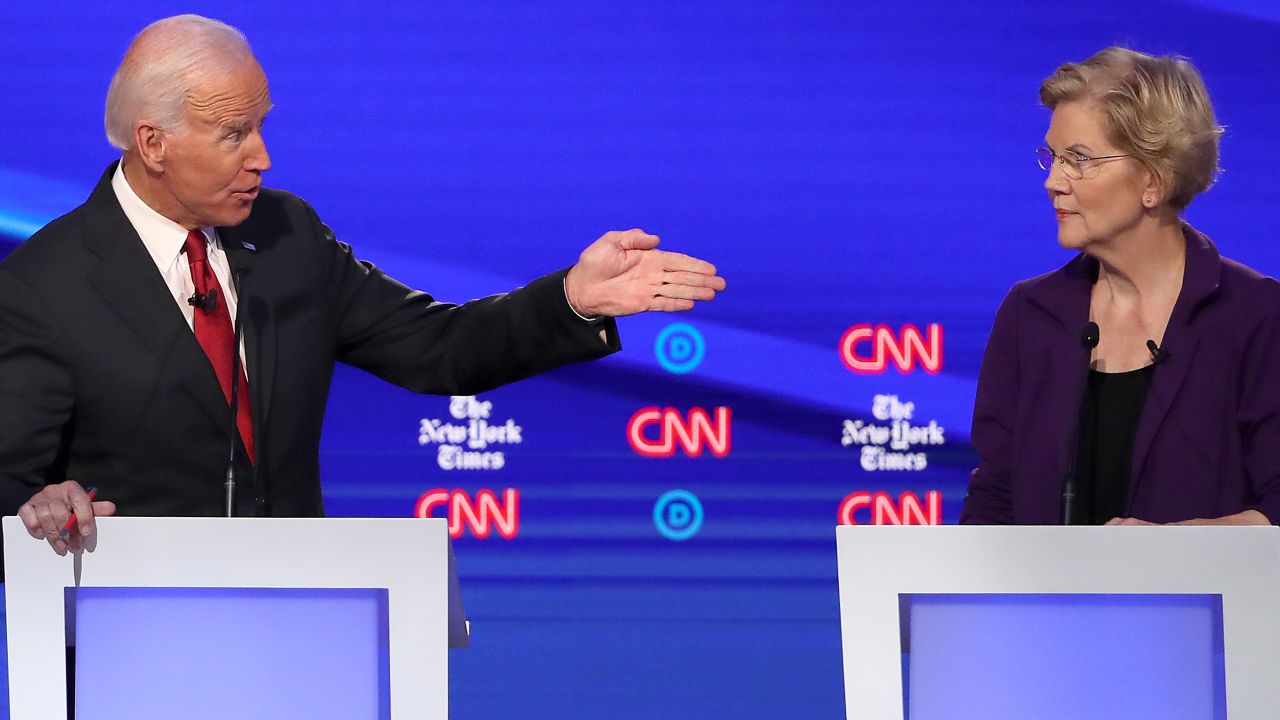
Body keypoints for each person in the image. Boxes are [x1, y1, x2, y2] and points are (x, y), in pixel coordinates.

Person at [0, 14, 725, 562]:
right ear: (153, 143)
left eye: (262, 127)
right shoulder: (46, 284)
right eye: (234, 135)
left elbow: (441, 348)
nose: (263, 158)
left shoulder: (287, 237)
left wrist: (570, 298)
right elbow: (8, 482)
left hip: (301, 629)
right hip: (126, 644)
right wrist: (40, 504)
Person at [960, 47, 1280, 526]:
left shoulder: (1254, 316)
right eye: (1053, 156)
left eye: (1079, 160)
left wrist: (1179, 546)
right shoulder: (1030, 315)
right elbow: (993, 500)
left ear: (1154, 180)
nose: (1053, 181)